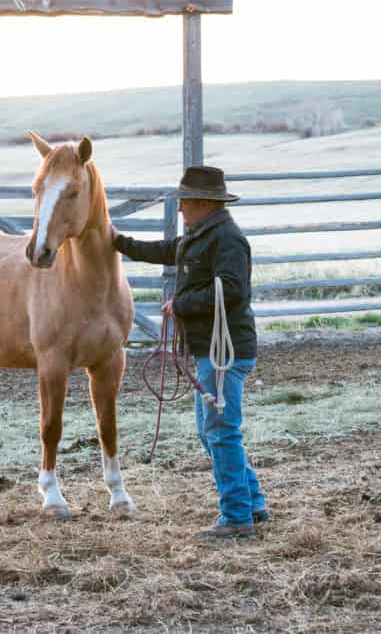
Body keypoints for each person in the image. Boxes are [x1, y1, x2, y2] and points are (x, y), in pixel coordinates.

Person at [112, 165, 268, 539]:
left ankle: (237, 517)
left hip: (223, 351)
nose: (180, 208)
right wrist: (118, 242)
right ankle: (252, 502)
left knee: (220, 431)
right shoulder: (201, 236)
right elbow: (166, 251)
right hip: (211, 350)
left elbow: (233, 289)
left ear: (203, 203)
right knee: (211, 430)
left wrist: (181, 304)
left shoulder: (227, 239)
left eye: (184, 201)